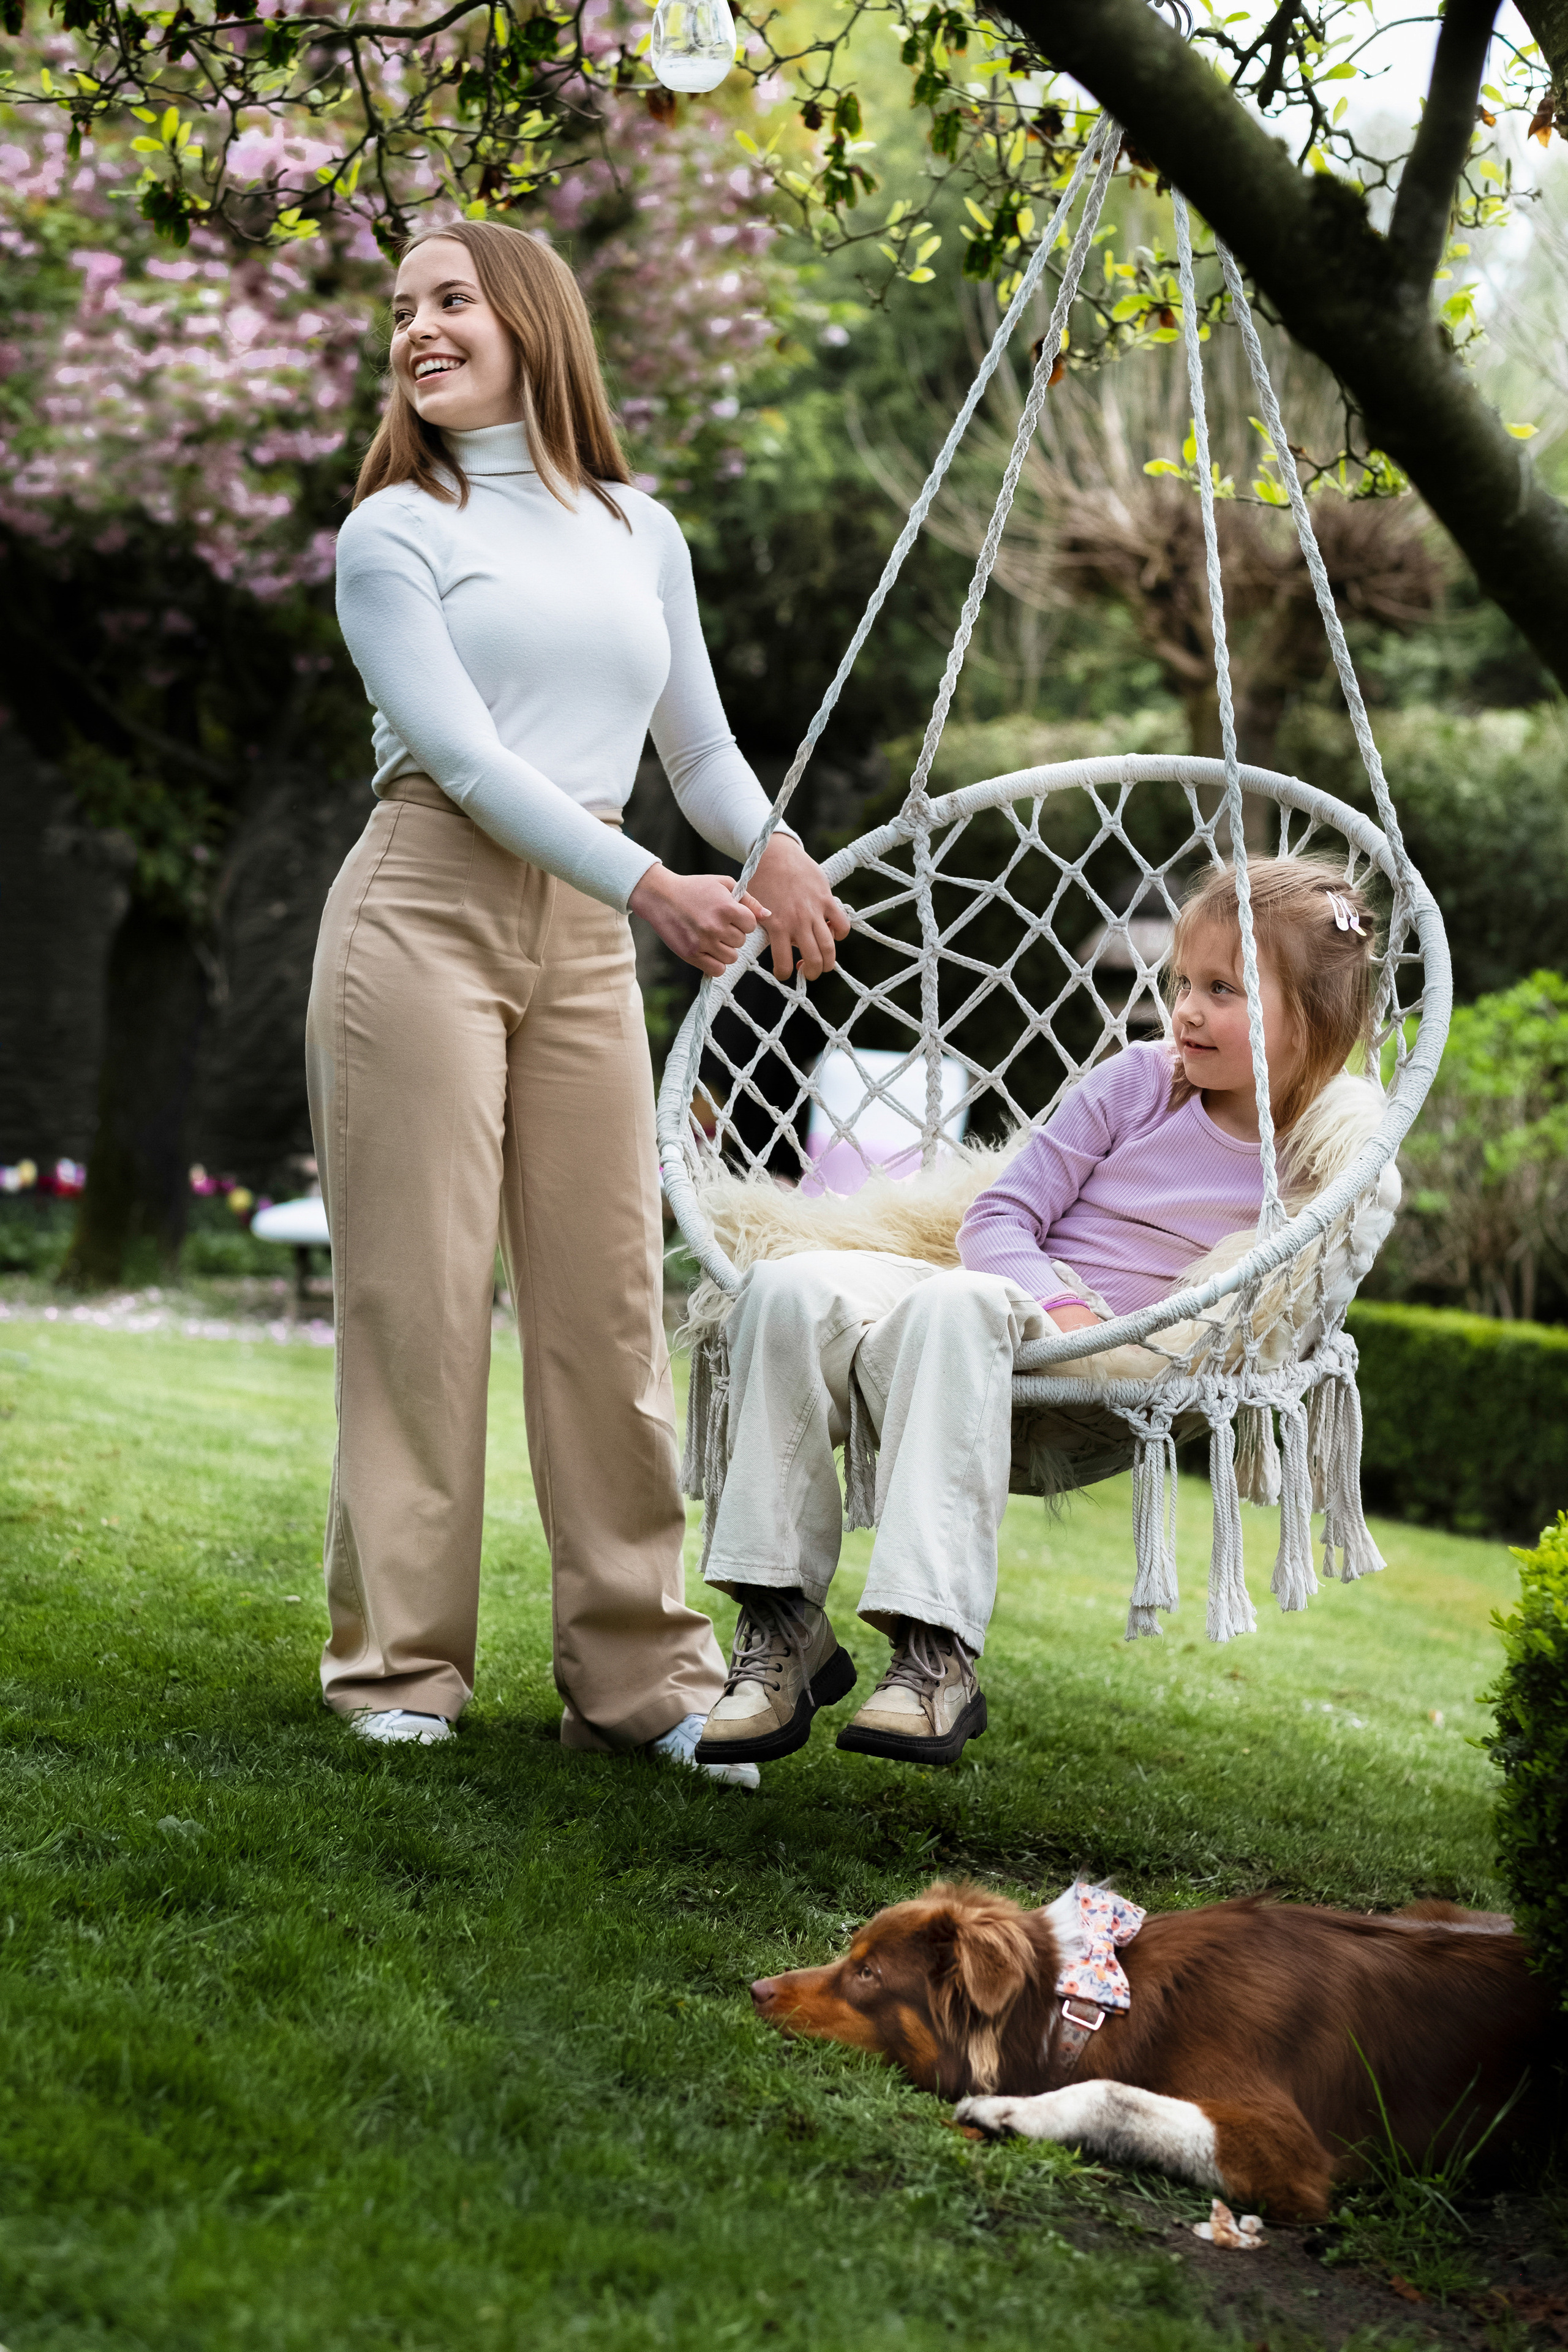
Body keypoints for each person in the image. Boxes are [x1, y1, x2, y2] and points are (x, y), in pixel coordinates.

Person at [308, 219, 848, 1779]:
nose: (416, 329)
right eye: (401, 309)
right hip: (422, 907)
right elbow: (469, 761)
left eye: (450, 300)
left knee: (607, 1307)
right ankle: (399, 1667)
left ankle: (640, 1677)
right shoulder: (390, 533)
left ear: (532, 320)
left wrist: (770, 844)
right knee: (416, 1302)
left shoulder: (635, 527)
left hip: (589, 930)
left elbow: (697, 750)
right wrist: (654, 887)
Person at [692, 855, 1378, 1773]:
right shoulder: (1139, 1083)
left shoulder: (1322, 1160)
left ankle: (934, 1649)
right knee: (786, 1286)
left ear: (1318, 1021)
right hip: (1002, 1299)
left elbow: (1292, 1278)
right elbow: (998, 1217)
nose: (1186, 1010)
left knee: (963, 1300)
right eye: (1183, 982)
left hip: (1098, 1350)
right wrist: (1053, 1297)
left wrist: (1073, 1321)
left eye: (1225, 990)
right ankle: (782, 1625)